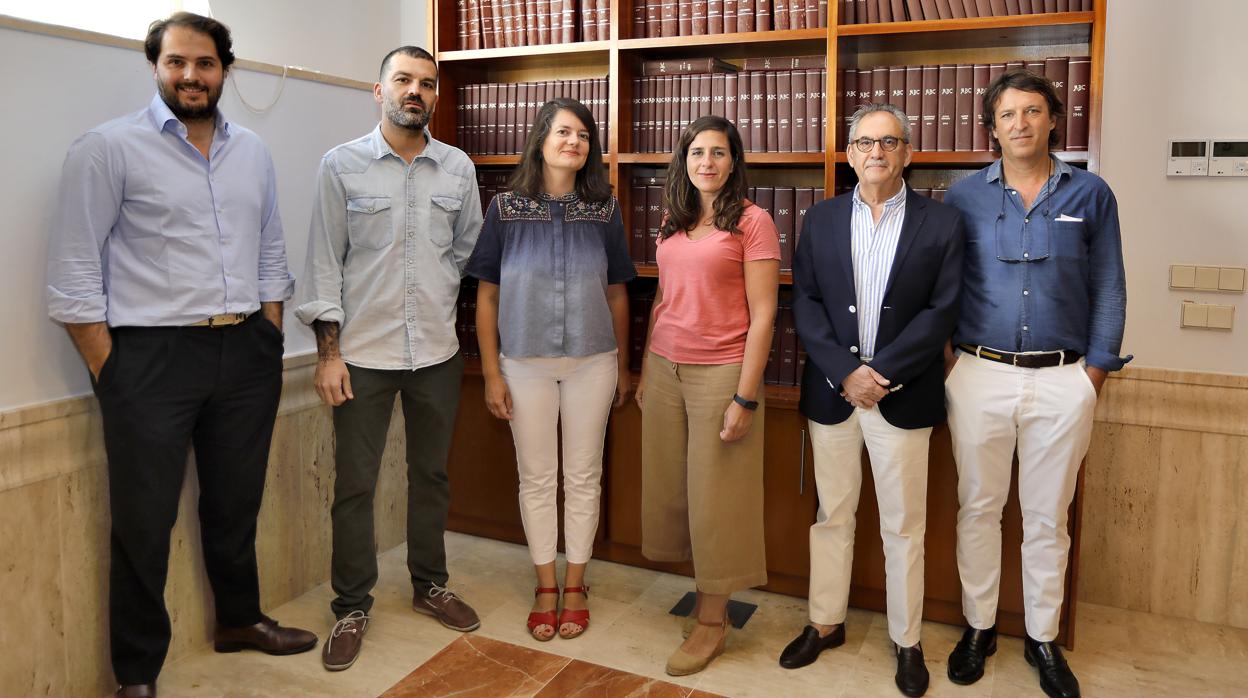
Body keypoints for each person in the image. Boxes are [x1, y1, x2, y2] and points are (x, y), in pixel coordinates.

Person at [44, 13, 317, 697]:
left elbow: (270, 248)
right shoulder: (107, 149)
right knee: (144, 522)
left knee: (235, 504)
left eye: (204, 63)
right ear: (156, 67)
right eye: (175, 63)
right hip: (150, 359)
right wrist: (114, 369)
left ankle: (239, 620)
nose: (190, 76)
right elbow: (74, 276)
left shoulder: (251, 150)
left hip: (246, 349)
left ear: (225, 68)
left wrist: (269, 331)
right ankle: (136, 674)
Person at [295, 46, 484, 672]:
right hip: (364, 355)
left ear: (436, 96)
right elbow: (324, 263)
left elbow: (467, 255)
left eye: (427, 84)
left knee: (431, 476)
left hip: (436, 352)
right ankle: (351, 605)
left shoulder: (457, 169)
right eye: (403, 80)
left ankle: (430, 584)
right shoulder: (341, 165)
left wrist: (434, 300)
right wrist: (329, 355)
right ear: (378, 92)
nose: (416, 92)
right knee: (355, 486)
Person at [942, 69, 1129, 698]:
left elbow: (1109, 285)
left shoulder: (1092, 194)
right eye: (1006, 115)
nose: (1019, 124)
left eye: (1031, 112)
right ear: (991, 128)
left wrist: (1095, 371)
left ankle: (1043, 639)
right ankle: (978, 627)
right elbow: (941, 287)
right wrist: (950, 364)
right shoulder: (963, 197)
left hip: (1063, 379)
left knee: (1049, 516)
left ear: (1054, 119)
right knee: (978, 507)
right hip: (977, 373)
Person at [782, 103, 965, 697]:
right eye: (865, 143)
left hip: (903, 395)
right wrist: (844, 372)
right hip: (833, 395)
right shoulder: (823, 218)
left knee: (904, 527)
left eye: (890, 142)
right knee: (831, 516)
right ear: (851, 153)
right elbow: (805, 304)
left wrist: (879, 372)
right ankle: (824, 622)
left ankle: (906, 641)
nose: (877, 153)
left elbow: (943, 311)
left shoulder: (942, 224)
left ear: (908, 152)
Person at [467, 97, 635, 642]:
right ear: (541, 138)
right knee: (537, 478)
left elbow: (616, 294)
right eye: (564, 132)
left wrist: (623, 365)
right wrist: (492, 373)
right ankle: (546, 585)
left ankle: (578, 584)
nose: (574, 142)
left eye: (584, 135)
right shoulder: (506, 208)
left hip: (593, 362)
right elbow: (487, 296)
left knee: (584, 476)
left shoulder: (604, 210)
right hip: (523, 364)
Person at [637, 115, 780, 676]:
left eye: (718, 153)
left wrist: (745, 398)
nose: (707, 162)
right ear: (684, 159)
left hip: (722, 371)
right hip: (664, 366)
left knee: (719, 497)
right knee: (675, 490)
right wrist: (646, 371)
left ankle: (711, 622)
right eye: (697, 152)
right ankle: (700, 595)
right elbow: (662, 297)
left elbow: (765, 313)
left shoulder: (753, 221)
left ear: (734, 161)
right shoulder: (673, 221)